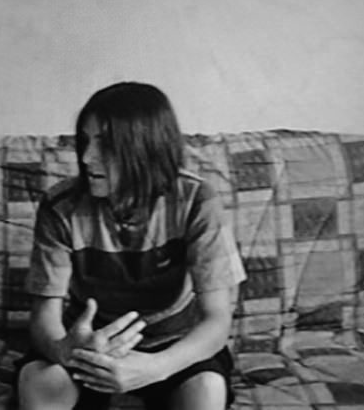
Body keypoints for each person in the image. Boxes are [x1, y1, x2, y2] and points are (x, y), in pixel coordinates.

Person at [16, 82, 246, 410]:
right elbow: (44, 316)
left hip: (173, 347)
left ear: (147, 147)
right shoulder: (60, 206)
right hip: (87, 346)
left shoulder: (197, 200)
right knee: (40, 383)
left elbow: (217, 320)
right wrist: (64, 349)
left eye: (105, 144)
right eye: (85, 141)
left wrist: (156, 367)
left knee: (207, 389)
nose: (87, 157)